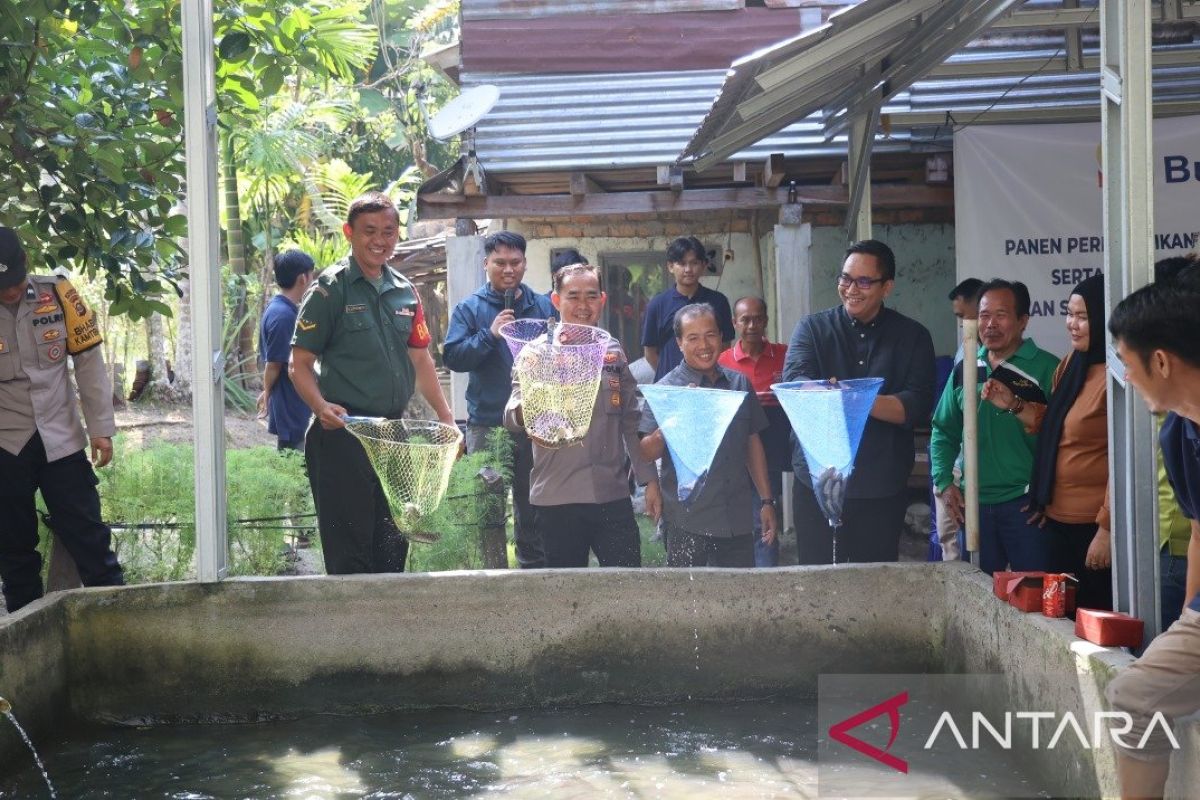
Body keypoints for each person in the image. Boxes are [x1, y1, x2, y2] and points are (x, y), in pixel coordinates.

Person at [290, 192, 454, 575]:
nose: (380, 240)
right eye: (370, 231)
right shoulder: (330, 290)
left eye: (389, 231)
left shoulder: (404, 289)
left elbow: (421, 358)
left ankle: (389, 634)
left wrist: (446, 416)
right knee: (351, 556)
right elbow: (299, 364)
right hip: (344, 436)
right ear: (349, 233)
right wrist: (320, 407)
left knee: (393, 546)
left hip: (393, 437)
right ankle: (350, 635)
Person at [1104, 268, 1200, 800]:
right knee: (1134, 697)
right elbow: (1199, 530)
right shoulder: (1178, 433)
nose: (1125, 374)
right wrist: (1188, 620)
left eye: (1126, 359)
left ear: (1160, 360)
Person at [783, 239, 935, 564]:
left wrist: (849, 397)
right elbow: (798, 387)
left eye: (864, 281)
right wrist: (871, 402)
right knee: (816, 582)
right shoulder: (812, 329)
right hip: (817, 483)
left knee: (874, 585)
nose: (852, 288)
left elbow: (915, 405)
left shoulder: (913, 336)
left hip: (880, 485)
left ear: (887, 287)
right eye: (845, 278)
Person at [0, 226, 124, 613]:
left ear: (26, 267)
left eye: (15, 283)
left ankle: (119, 623)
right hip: (6, 445)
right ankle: (27, 638)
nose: (11, 292)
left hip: (62, 439)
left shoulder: (59, 294)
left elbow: (88, 364)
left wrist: (101, 429)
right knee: (14, 549)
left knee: (90, 537)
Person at [504, 263, 659, 568]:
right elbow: (511, 415)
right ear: (556, 300)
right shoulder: (534, 354)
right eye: (573, 296)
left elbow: (630, 420)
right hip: (557, 498)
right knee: (566, 596)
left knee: (625, 588)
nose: (583, 306)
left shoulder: (612, 350)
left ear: (602, 300)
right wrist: (535, 401)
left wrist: (649, 481)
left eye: (591, 296)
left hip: (611, 495)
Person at [931, 279, 1060, 574]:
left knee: (1033, 598)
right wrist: (945, 482)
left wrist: (1052, 497)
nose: (990, 324)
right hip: (973, 505)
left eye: (1000, 315)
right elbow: (943, 429)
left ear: (1023, 321)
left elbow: (1065, 440)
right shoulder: (966, 369)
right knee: (976, 599)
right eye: (984, 316)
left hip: (1027, 507)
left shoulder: (1048, 368)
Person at [443, 231, 554, 569]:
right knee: (488, 504)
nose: (508, 269)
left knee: (532, 502)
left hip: (532, 423)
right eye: (500, 263)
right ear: (486, 264)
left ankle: (532, 570)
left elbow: (557, 355)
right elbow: (453, 357)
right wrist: (488, 335)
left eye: (515, 262)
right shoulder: (470, 308)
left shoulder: (543, 306)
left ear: (524, 263)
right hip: (487, 425)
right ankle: (492, 573)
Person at [639, 303, 777, 567]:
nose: (704, 344)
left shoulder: (739, 384)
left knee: (738, 601)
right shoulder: (666, 389)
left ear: (722, 337)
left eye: (710, 335)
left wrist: (767, 500)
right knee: (689, 604)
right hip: (688, 522)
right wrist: (676, 418)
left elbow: (752, 442)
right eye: (693, 338)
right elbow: (645, 451)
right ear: (679, 343)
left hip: (736, 519)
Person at [1013, 274, 1112, 611]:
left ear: (1103, 317)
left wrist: (1106, 529)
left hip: (1092, 528)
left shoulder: (1115, 376)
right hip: (1056, 519)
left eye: (1082, 317)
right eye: (1069, 314)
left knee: (1094, 618)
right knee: (1060, 619)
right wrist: (1013, 405)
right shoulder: (1071, 364)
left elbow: (1124, 462)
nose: (1072, 324)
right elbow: (1054, 428)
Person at [717, 295, 790, 566]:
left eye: (758, 318)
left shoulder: (785, 355)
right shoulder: (722, 361)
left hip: (775, 451)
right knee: (747, 514)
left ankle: (766, 572)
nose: (752, 325)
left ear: (766, 321)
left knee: (766, 511)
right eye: (745, 319)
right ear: (735, 323)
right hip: (736, 451)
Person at [936, 277, 984, 561]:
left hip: (985, 477)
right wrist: (945, 479)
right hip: (956, 468)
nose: (962, 323)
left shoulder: (998, 362)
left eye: (966, 316)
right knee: (951, 545)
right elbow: (944, 424)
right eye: (959, 317)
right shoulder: (962, 353)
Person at [641, 236, 734, 382]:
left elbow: (725, 346)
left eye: (694, 263)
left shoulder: (718, 301)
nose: (688, 269)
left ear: (703, 265)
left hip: (710, 384)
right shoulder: (657, 304)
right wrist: (672, 376)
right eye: (682, 263)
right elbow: (650, 352)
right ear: (670, 266)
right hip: (669, 387)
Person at [257, 249, 314, 451]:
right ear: (302, 278)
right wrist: (267, 393)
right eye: (311, 276)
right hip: (291, 404)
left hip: (292, 403)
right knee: (295, 463)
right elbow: (273, 364)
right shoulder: (283, 316)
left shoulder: (281, 308)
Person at [546, 248, 587, 316]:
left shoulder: (587, 305)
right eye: (572, 274)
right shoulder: (542, 307)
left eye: (582, 274)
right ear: (555, 276)